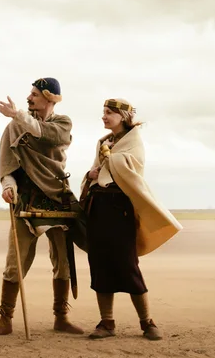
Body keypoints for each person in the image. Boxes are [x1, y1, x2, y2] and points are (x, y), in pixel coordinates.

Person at [0, 77, 87, 337]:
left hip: (57, 197)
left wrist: (17, 114)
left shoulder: (63, 123)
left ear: (50, 98)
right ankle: (5, 320)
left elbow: (46, 134)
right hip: (26, 199)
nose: (29, 98)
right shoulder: (13, 128)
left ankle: (61, 317)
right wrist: (9, 187)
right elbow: (7, 166)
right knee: (14, 263)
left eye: (35, 94)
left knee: (62, 262)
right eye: (29, 94)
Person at [79, 98, 183, 340]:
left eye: (109, 113)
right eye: (103, 112)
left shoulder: (134, 142)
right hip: (98, 208)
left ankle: (147, 322)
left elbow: (132, 168)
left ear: (123, 117)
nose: (104, 117)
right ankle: (106, 323)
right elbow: (96, 171)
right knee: (100, 264)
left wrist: (110, 158)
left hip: (120, 209)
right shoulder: (104, 142)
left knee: (128, 265)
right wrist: (90, 174)